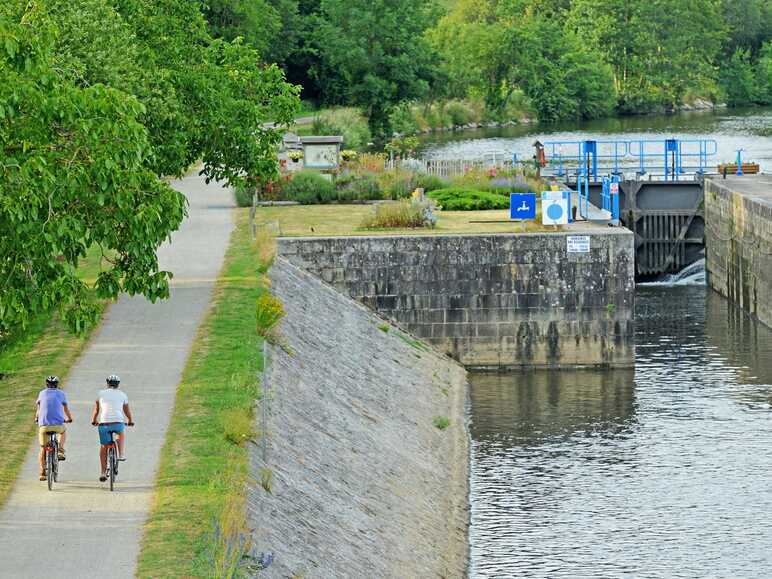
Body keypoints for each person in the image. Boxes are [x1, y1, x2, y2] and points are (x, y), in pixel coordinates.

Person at [91, 374, 134, 482]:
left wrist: (94, 420)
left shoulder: (100, 394)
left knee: (103, 447)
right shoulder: (123, 395)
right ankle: (121, 454)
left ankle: (103, 472)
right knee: (121, 433)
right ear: (118, 384)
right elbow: (126, 411)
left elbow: (96, 410)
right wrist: (130, 420)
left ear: (107, 383)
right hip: (118, 422)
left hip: (104, 423)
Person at [35, 375, 73, 481]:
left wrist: (36, 418)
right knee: (63, 431)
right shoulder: (61, 393)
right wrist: (69, 418)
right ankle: (60, 449)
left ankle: (42, 472)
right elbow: (66, 409)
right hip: (58, 425)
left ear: (46, 384)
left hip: (44, 426)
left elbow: (38, 409)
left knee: (43, 448)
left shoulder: (42, 393)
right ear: (57, 384)